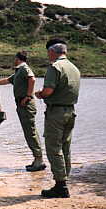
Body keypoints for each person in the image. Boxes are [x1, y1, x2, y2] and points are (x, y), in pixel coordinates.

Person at [35, 39, 81, 198]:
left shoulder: (55, 67)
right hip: (70, 111)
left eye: (48, 52)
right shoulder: (74, 68)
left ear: (52, 52)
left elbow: (48, 91)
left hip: (56, 113)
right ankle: (64, 181)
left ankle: (60, 186)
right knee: (65, 148)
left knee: (53, 148)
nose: (48, 55)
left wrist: (39, 94)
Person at [0, 51, 46, 171]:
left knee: (30, 132)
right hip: (22, 104)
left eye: (15, 58)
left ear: (18, 58)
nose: (14, 60)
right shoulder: (19, 70)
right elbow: (7, 80)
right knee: (28, 132)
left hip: (26, 104)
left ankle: (39, 160)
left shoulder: (24, 68)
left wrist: (28, 96)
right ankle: (37, 159)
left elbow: (32, 79)